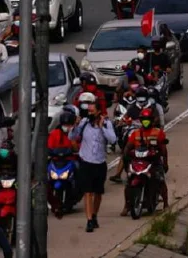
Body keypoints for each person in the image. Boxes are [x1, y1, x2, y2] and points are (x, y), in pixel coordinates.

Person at [72, 97, 117, 232]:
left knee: (98, 193)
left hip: (100, 163)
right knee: (88, 192)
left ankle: (95, 215)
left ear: (99, 112)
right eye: (88, 111)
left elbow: (113, 139)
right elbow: (72, 137)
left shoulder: (107, 124)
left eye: (92, 111)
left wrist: (103, 127)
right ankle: (89, 220)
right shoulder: (84, 123)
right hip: (86, 162)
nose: (90, 114)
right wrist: (75, 125)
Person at [123, 107, 170, 212]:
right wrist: (126, 155)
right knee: (128, 182)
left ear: (152, 120)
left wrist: (165, 162)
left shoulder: (158, 133)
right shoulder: (135, 133)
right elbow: (128, 147)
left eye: (148, 120)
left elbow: (163, 149)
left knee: (160, 180)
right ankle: (126, 206)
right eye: (144, 120)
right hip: (138, 161)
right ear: (140, 121)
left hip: (154, 162)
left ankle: (166, 203)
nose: (146, 122)